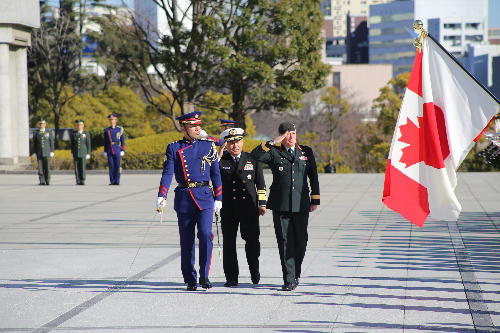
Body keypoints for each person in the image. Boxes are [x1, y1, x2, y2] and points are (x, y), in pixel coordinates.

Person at [156, 111, 223, 291]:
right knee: (186, 241)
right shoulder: (174, 147)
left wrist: (219, 198)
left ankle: (205, 275)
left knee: (206, 234)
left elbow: (216, 172)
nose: (197, 128)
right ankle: (190, 277)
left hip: (204, 196)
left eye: (198, 125)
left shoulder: (208, 145)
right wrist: (162, 195)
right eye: (193, 126)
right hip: (185, 196)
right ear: (183, 128)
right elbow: (168, 173)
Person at [251, 122, 320, 291]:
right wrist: (272, 142)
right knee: (285, 241)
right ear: (281, 136)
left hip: (301, 203)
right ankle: (289, 278)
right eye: (287, 134)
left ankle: (295, 271)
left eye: (293, 134)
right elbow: (254, 157)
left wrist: (315, 199)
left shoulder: (306, 151)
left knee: (301, 241)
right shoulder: (274, 152)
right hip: (281, 204)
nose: (291, 137)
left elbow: (314, 176)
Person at [218, 128, 267, 287]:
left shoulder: (252, 159)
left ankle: (255, 271)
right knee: (229, 243)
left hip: (249, 208)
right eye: (231, 143)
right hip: (229, 209)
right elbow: (214, 183)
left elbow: (261, 184)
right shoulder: (221, 161)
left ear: (242, 142)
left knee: (252, 242)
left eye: (238, 141)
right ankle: (231, 277)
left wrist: (262, 204)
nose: (235, 145)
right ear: (226, 144)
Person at [103, 113, 125, 185]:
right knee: (111, 166)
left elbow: (122, 140)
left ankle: (117, 181)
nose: (111, 121)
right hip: (110, 149)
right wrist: (105, 151)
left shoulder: (119, 129)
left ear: (116, 120)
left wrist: (122, 150)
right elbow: (105, 141)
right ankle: (112, 181)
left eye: (113, 119)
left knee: (117, 166)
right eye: (110, 120)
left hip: (117, 148)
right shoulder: (106, 130)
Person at [33, 119, 55, 185]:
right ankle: (42, 181)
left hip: (47, 152)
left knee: (47, 167)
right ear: (39, 125)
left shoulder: (48, 132)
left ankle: (47, 180)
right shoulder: (36, 133)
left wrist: (52, 151)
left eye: (43, 124)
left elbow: (51, 142)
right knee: (40, 168)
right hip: (39, 152)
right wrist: (35, 152)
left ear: (45, 124)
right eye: (40, 124)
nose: (42, 125)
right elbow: (35, 143)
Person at [70, 120, 91, 185]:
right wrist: (72, 152)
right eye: (78, 125)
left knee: (82, 167)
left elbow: (88, 144)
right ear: (76, 126)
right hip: (76, 152)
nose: (79, 126)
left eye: (81, 125)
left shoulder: (86, 133)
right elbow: (72, 144)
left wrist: (88, 153)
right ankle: (78, 180)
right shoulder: (74, 133)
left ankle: (82, 180)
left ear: (83, 126)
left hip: (83, 152)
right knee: (76, 167)